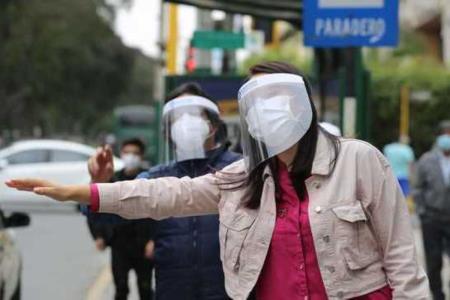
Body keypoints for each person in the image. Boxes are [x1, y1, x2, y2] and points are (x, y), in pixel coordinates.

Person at [7, 62, 429, 300]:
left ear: (302, 105)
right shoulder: (243, 178)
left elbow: (401, 256)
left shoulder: (359, 160)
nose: (268, 112)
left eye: (276, 100)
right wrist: (84, 192)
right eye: (257, 104)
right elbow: (165, 194)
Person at [89, 82, 239, 300]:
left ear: (213, 124)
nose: (185, 122)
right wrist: (99, 184)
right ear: (168, 130)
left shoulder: (239, 171)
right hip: (172, 291)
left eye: (193, 113)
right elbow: (113, 214)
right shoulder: (156, 177)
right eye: (177, 117)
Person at [87, 138, 154, 300]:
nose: (131, 156)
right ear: (121, 154)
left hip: (143, 246)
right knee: (121, 289)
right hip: (119, 245)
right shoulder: (112, 179)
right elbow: (94, 210)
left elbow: (161, 211)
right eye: (127, 152)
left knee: (145, 290)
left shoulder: (150, 180)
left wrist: (153, 240)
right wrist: (98, 236)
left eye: (135, 153)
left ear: (142, 156)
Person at [413, 120, 450, 300]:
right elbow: (418, 187)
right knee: (434, 261)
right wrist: (422, 211)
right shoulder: (427, 160)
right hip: (432, 218)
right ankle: (438, 295)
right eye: (445, 134)